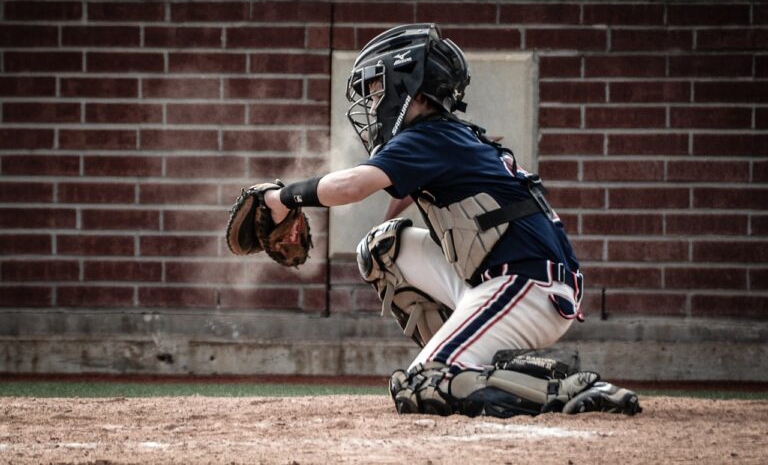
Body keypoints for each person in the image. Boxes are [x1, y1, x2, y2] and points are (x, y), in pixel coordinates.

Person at [264, 23, 641, 417]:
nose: (373, 102)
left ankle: (559, 388)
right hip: (512, 279)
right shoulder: (445, 136)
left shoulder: (429, 137)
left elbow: (351, 187)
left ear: (408, 84)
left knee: (422, 384)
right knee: (382, 249)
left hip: (526, 287)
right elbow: (409, 190)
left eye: (378, 89)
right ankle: (464, 362)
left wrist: (283, 197)